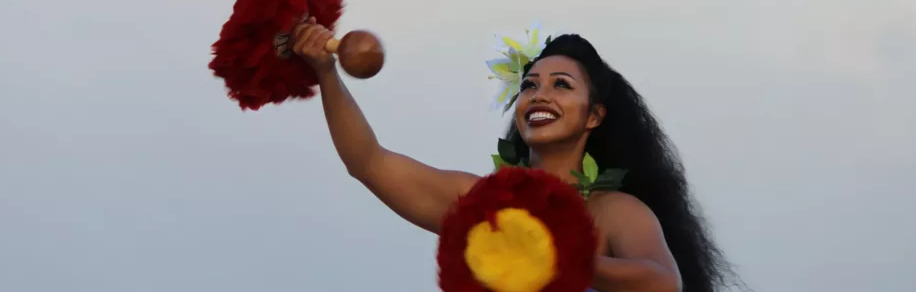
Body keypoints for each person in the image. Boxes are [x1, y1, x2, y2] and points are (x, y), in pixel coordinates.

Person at [290, 19, 741, 292]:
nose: (538, 95)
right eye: (529, 85)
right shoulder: (482, 203)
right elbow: (367, 162)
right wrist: (326, 72)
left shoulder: (613, 212)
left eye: (561, 85)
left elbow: (663, 283)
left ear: (594, 116)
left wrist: (558, 253)